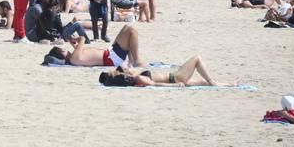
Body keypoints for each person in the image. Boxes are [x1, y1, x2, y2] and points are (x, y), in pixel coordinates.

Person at [100, 55, 234, 87]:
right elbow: (154, 84)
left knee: (204, 82)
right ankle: (214, 83)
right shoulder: (138, 78)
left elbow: (126, 66)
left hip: (176, 77)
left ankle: (228, 85)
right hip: (176, 78)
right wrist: (175, 85)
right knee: (197, 58)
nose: (127, 68)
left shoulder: (135, 75)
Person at [45, 25, 144, 67]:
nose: (66, 49)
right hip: (112, 58)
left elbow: (84, 53)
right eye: (64, 49)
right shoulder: (74, 58)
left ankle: (131, 61)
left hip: (110, 54)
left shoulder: (75, 57)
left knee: (127, 28)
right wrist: (76, 39)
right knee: (132, 30)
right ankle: (136, 60)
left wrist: (74, 44)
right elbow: (83, 38)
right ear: (62, 52)